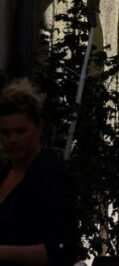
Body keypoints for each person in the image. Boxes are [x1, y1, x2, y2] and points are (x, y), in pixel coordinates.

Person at [0, 78, 79, 266]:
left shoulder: (51, 175)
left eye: (20, 131)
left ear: (38, 129)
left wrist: (3, 252)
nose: (12, 139)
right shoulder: (5, 173)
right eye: (5, 132)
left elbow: (63, 248)